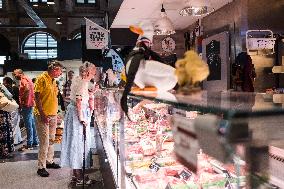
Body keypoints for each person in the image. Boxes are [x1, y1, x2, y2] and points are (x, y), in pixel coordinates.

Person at [60, 62, 96, 184]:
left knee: (76, 143)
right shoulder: (82, 82)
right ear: (87, 72)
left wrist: (91, 94)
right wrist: (81, 118)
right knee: (78, 143)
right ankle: (79, 176)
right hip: (77, 114)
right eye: (93, 71)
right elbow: (79, 101)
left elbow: (82, 96)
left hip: (74, 112)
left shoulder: (78, 80)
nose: (94, 73)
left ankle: (77, 173)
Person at [34, 61, 63, 177]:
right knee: (44, 141)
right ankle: (41, 167)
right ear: (54, 69)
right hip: (43, 115)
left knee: (51, 140)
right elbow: (37, 97)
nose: (60, 73)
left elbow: (54, 98)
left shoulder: (54, 81)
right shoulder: (41, 78)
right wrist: (42, 114)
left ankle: (49, 161)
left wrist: (57, 112)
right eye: (60, 71)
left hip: (53, 114)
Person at [13, 69, 39, 149]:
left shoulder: (23, 80)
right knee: (31, 124)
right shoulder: (28, 79)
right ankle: (35, 141)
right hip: (30, 104)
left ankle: (29, 143)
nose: (14, 76)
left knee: (28, 125)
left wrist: (23, 99)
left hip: (26, 105)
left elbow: (27, 89)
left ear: (20, 74)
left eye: (15, 74)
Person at [3, 77, 23, 146]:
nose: (3, 84)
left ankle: (15, 141)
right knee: (16, 123)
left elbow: (17, 98)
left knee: (14, 124)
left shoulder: (7, 90)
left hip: (12, 108)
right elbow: (18, 98)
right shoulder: (15, 88)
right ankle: (19, 139)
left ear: (7, 83)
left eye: (4, 82)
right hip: (14, 107)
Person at [0, 84, 15, 160]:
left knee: (3, 133)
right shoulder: (1, 87)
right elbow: (10, 96)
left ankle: (3, 151)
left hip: (3, 112)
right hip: (3, 111)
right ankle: (4, 152)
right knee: (4, 132)